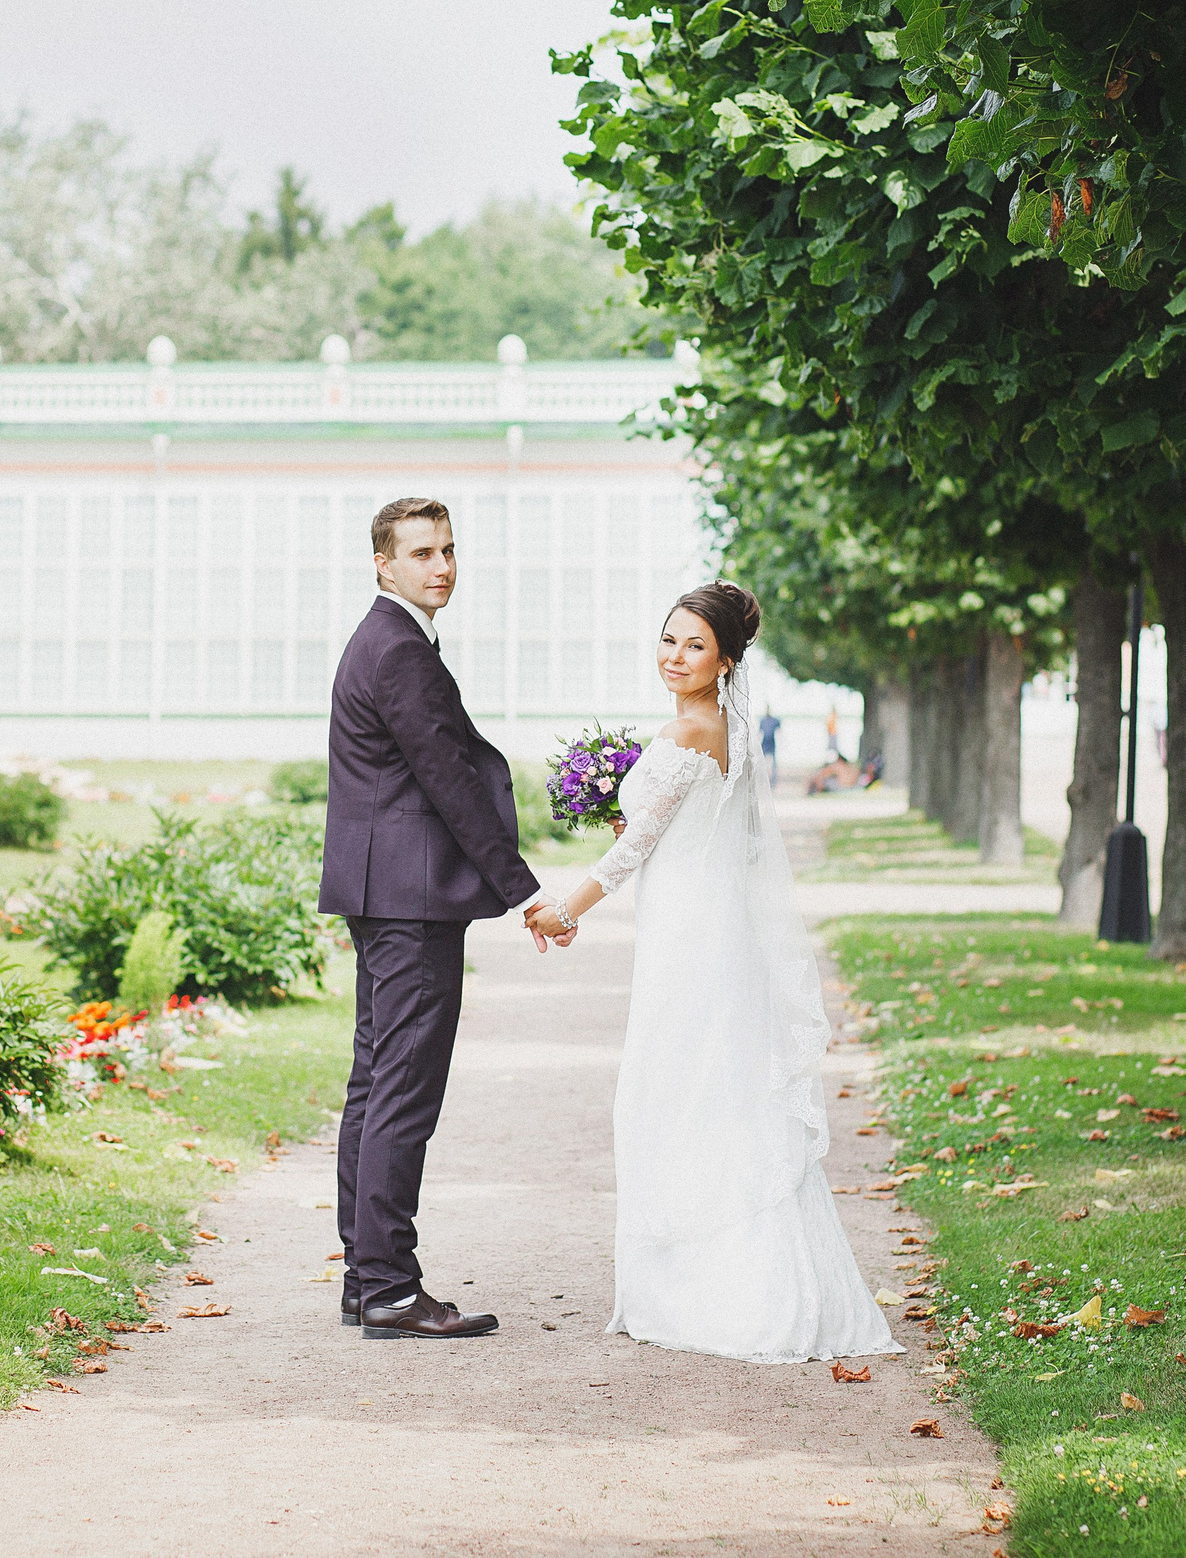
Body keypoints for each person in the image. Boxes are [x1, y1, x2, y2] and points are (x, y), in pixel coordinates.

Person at [522, 584, 900, 1364]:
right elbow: (691, 829)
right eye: (667, 639)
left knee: (678, 1091)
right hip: (714, 927)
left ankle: (714, 1293)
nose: (674, 655)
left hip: (687, 938)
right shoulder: (727, 728)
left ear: (725, 658)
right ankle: (762, 1281)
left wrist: (566, 908)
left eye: (694, 645)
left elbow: (630, 854)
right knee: (720, 1090)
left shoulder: (686, 732)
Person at [318, 496, 539, 1341]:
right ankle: (389, 1286)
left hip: (385, 895)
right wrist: (522, 889)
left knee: (375, 1084)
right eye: (421, 553)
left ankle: (365, 1278)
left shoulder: (387, 639)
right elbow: (447, 777)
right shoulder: (398, 648)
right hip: (407, 900)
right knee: (400, 1089)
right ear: (383, 563)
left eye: (449, 550)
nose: (441, 566)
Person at [757, 706, 781, 789]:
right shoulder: (763, 720)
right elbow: (760, 732)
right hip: (764, 743)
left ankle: (773, 783)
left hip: (771, 743)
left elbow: (779, 732)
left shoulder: (775, 720)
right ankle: (762, 781)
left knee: (773, 764)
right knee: (762, 763)